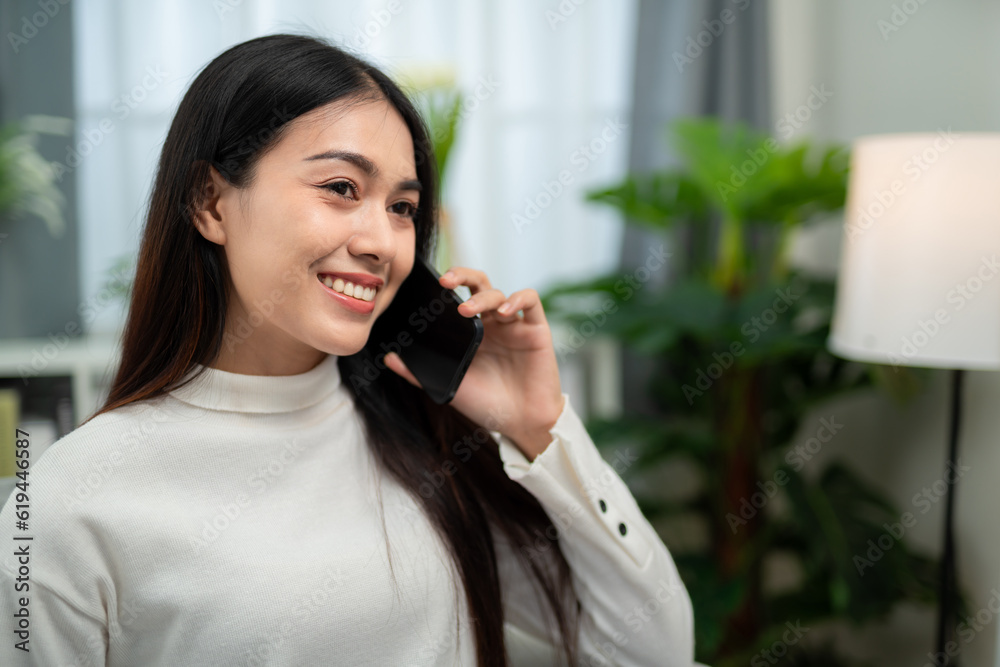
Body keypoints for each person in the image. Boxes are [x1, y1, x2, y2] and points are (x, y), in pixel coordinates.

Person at [0, 33, 696, 666]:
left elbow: (654, 649)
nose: (381, 241)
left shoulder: (423, 432)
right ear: (210, 202)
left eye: (401, 207)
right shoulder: (71, 498)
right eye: (341, 188)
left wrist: (537, 424)